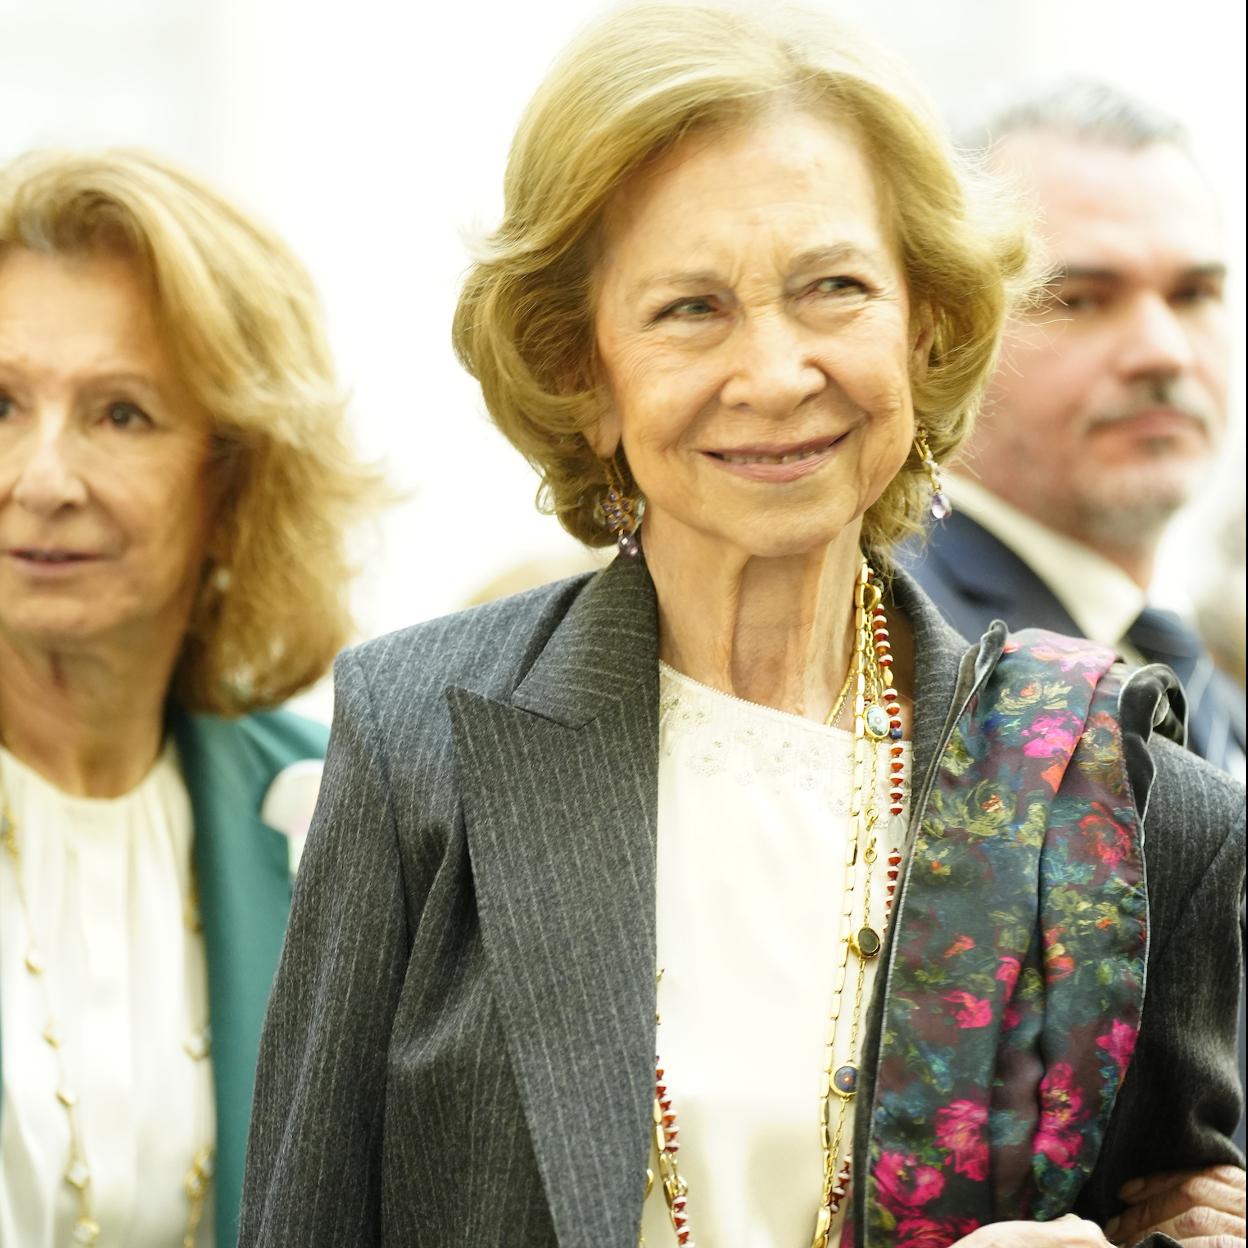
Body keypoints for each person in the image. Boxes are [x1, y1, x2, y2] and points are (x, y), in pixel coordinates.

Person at [240, 6, 1245, 1246]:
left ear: (925, 324)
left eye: (835, 289)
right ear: (583, 373)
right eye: (690, 308)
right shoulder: (416, 744)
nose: (774, 374)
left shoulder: (1115, 795)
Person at [0, 149, 376, 1248]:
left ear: (237, 479)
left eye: (121, 414)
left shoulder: (340, 814)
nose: (43, 479)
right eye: (1, 403)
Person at [905, 81, 1245, 779]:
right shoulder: (904, 653)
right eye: (1081, 300)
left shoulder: (1202, 668)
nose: (1163, 352)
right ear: (943, 334)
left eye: (1192, 294)